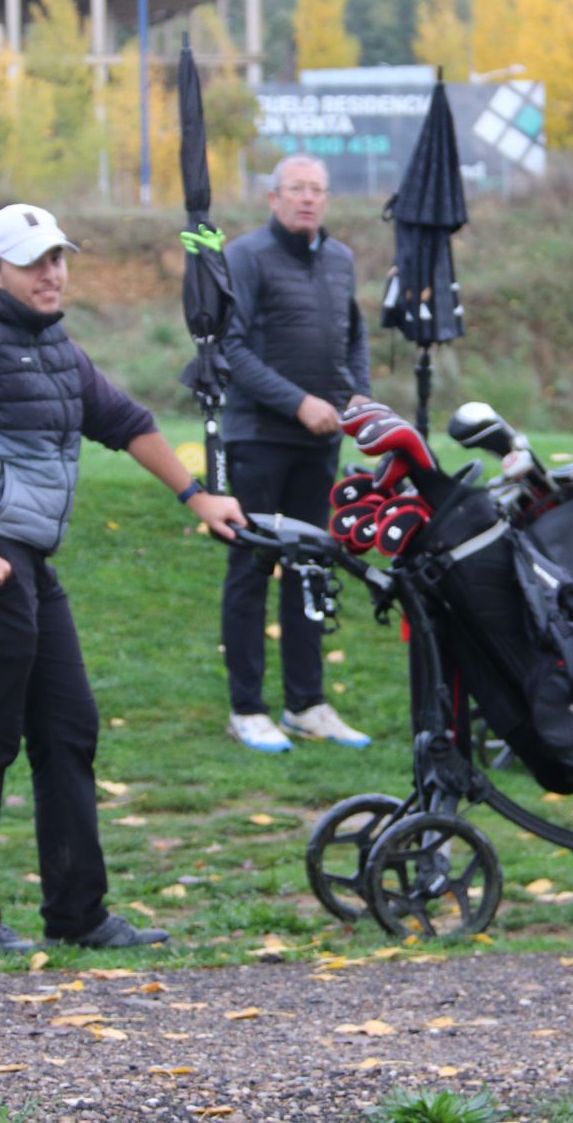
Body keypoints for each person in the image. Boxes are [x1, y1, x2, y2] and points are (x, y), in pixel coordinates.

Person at [0, 202, 244, 955]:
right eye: (34, 262)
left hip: (22, 556)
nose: (52, 273)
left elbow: (125, 419)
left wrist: (196, 496)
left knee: (67, 727)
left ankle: (79, 914)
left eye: (58, 258)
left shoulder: (51, 343)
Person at [217, 154, 374, 753]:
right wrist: (298, 402)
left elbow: (351, 340)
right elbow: (229, 349)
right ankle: (246, 708)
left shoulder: (340, 260)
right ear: (273, 196)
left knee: (312, 567)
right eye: (296, 189)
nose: (308, 199)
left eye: (318, 190)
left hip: (320, 444)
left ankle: (307, 704)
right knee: (252, 567)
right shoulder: (246, 256)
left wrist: (356, 401)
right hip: (257, 438)